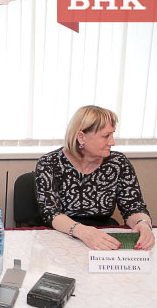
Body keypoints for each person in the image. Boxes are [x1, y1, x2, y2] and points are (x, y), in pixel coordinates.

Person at [35, 105, 154, 250]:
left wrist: (143, 223)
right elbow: (50, 213)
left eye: (112, 134)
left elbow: (133, 207)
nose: (112, 142)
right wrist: (83, 232)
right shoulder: (50, 163)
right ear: (81, 137)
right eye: (106, 136)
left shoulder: (118, 163)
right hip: (62, 236)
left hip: (103, 235)